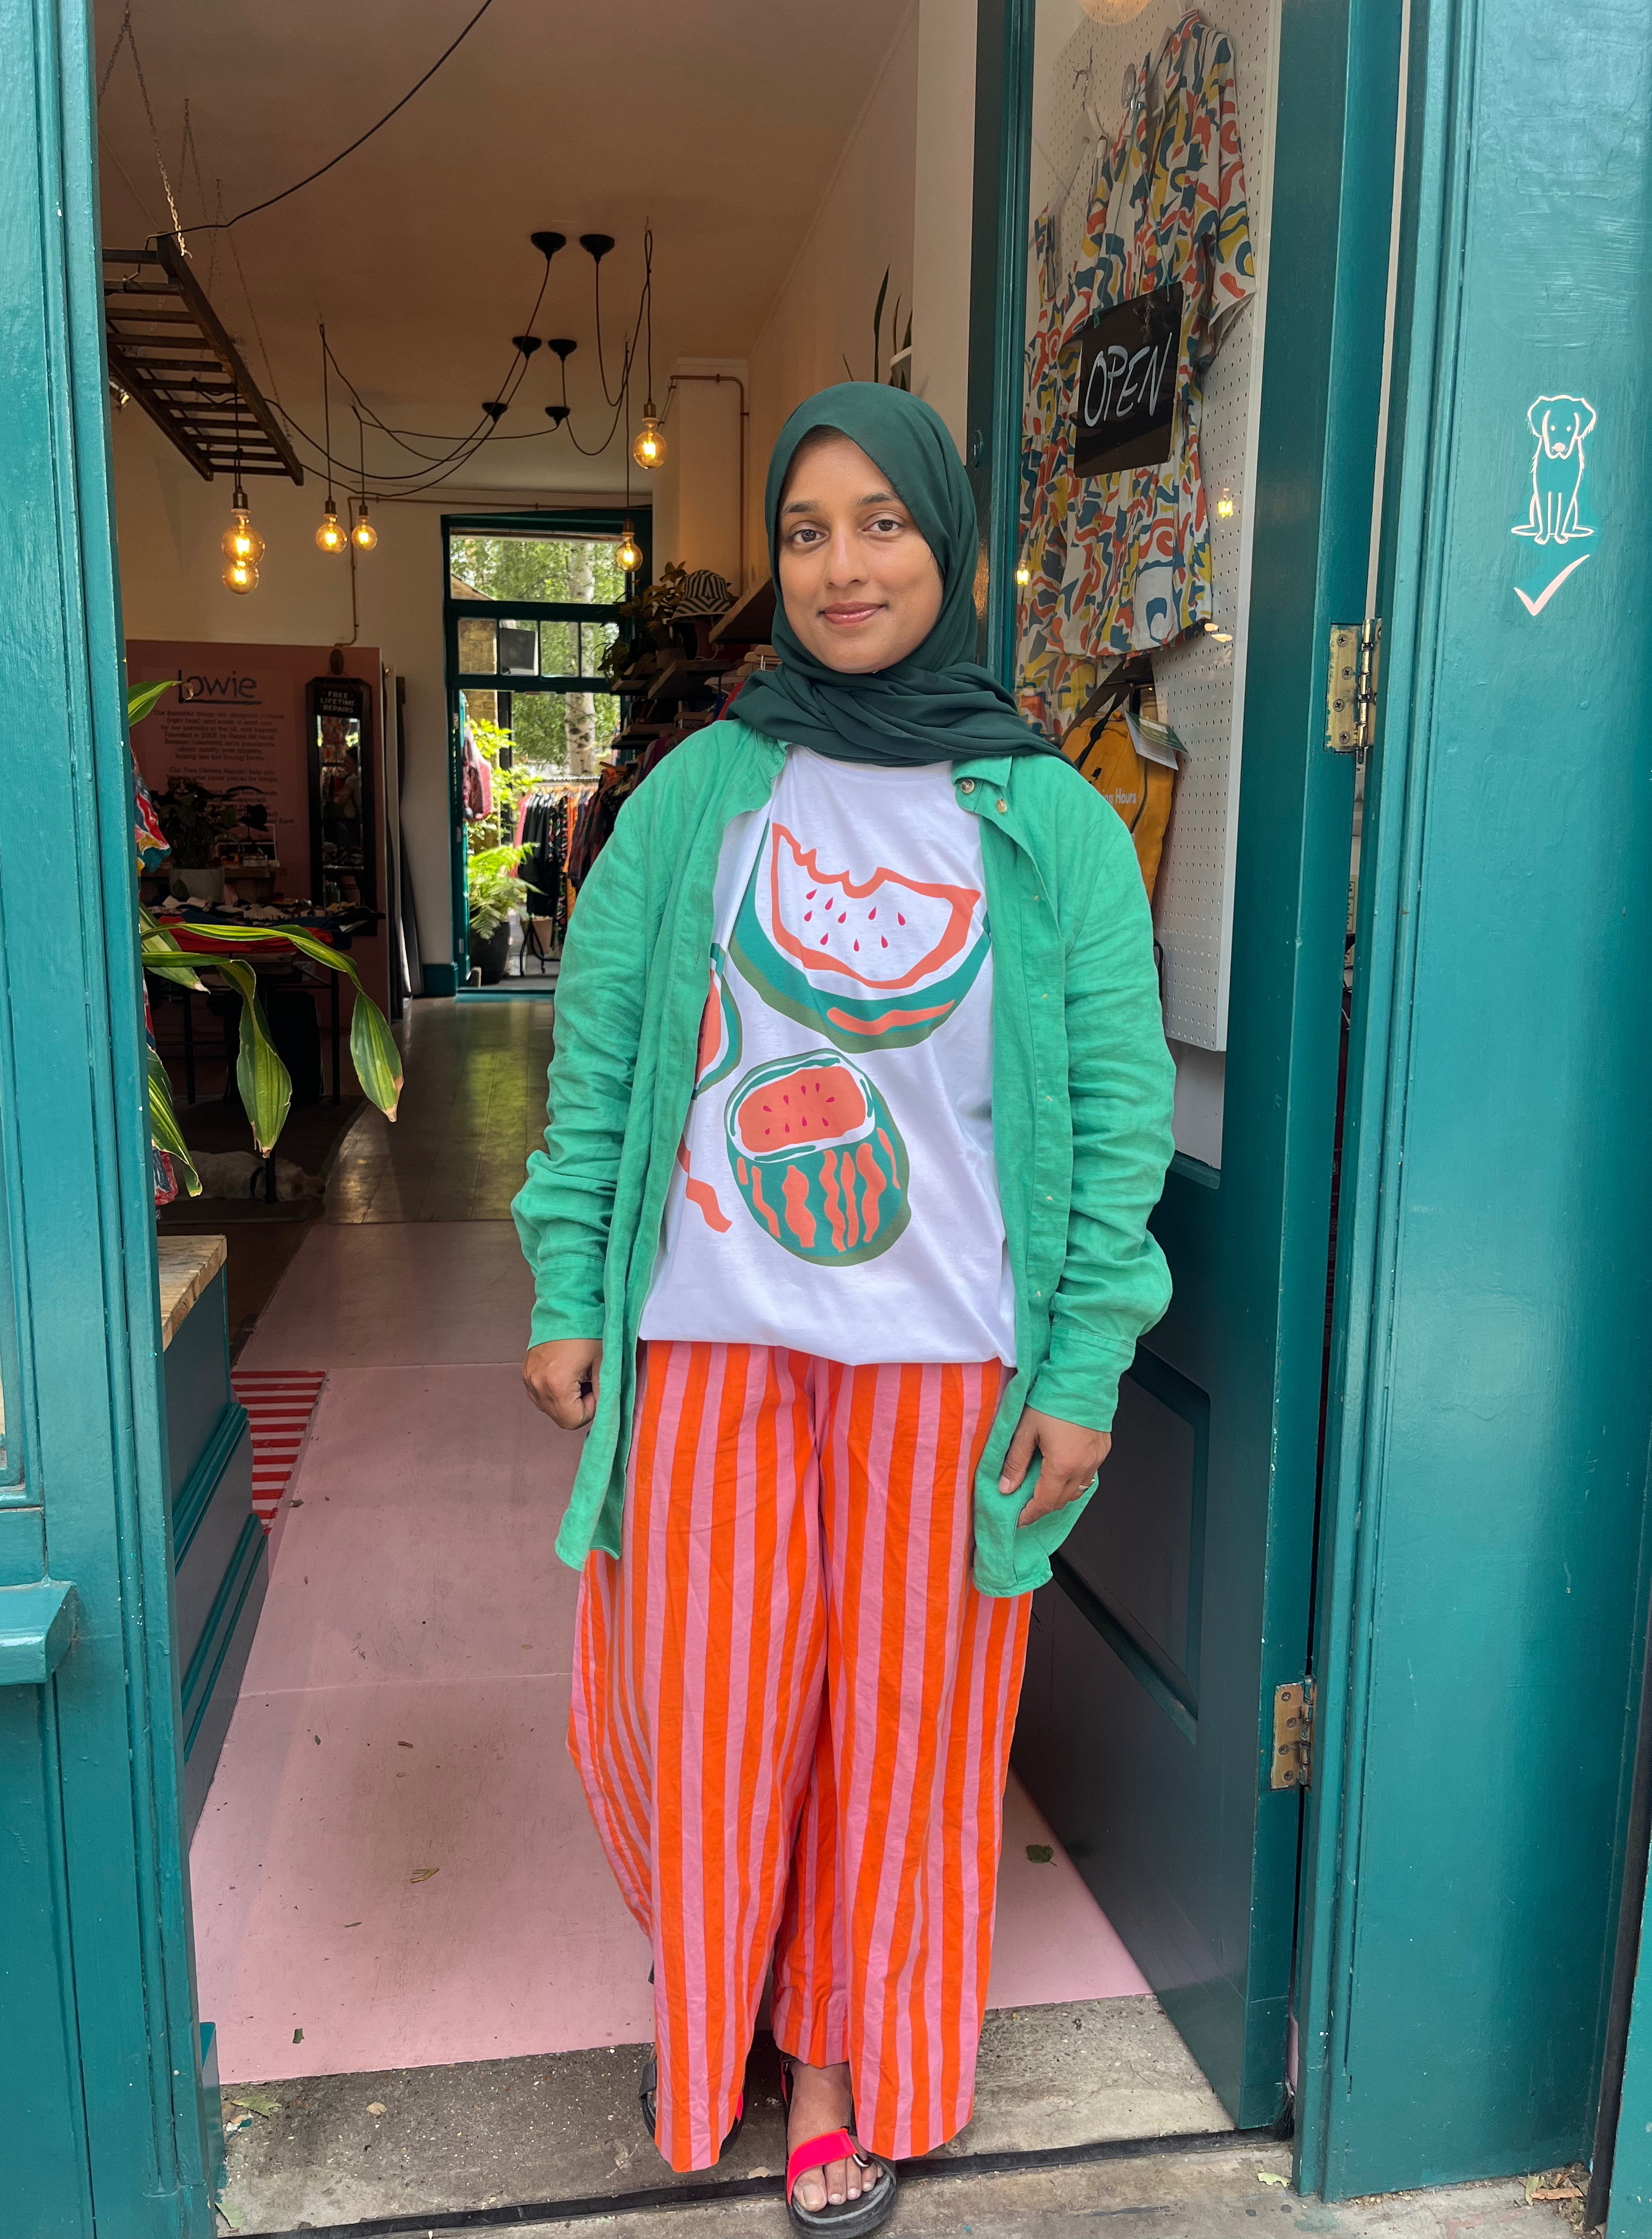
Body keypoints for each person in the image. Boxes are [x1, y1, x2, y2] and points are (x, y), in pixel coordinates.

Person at [513, 383, 1174, 2234]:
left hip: (947, 1369)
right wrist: (574, 1284)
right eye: (807, 530)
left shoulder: (1048, 819)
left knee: (905, 1739)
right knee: (714, 1726)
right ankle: (715, 2029)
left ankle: (831, 2063)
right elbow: (605, 1055)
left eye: (882, 522)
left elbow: (1119, 1121)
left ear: (951, 546)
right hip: (717, 1345)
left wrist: (1085, 1364)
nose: (842, 563)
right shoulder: (704, 794)